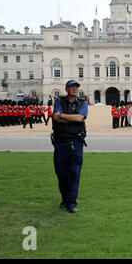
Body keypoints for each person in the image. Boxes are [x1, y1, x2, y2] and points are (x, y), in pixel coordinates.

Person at [52, 80, 88, 214]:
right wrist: (70, 118)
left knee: (74, 173)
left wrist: (62, 116)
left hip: (76, 142)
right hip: (61, 142)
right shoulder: (59, 101)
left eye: (76, 87)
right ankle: (65, 199)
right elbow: (55, 117)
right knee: (61, 173)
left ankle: (71, 203)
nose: (74, 89)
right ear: (66, 89)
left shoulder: (82, 103)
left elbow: (80, 119)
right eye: (71, 87)